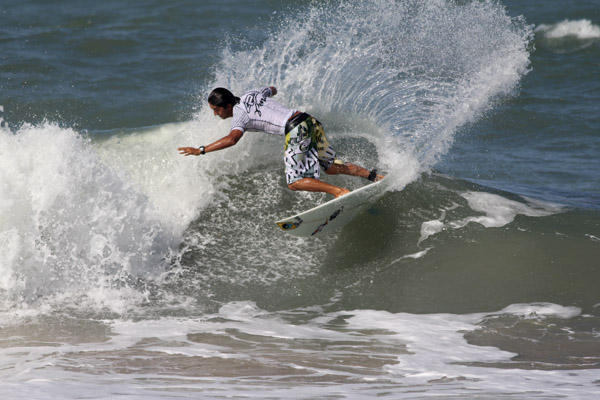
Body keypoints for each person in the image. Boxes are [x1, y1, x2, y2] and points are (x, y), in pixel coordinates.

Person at [178, 86, 383, 198]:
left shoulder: (239, 115)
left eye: (217, 110)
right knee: (330, 166)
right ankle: (374, 176)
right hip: (309, 121)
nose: (215, 114)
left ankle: (340, 193)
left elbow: (232, 139)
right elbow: (271, 89)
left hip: (294, 130)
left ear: (229, 105)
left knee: (295, 182)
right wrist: (270, 94)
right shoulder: (251, 93)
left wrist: (200, 150)